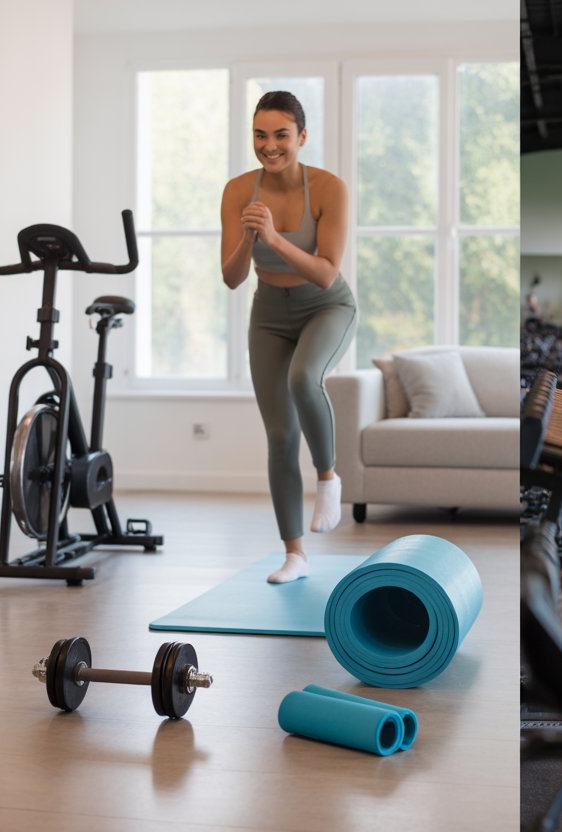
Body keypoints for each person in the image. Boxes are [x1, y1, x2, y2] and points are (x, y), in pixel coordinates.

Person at [220, 91, 358, 584]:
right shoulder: (238, 190)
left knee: (305, 378)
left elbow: (325, 273)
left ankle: (328, 477)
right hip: (268, 313)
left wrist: (277, 238)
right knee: (279, 436)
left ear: (301, 136)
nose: (270, 145)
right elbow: (233, 277)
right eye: (260, 135)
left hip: (327, 306)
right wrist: (249, 239)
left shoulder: (327, 188)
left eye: (281, 135)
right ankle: (294, 554)